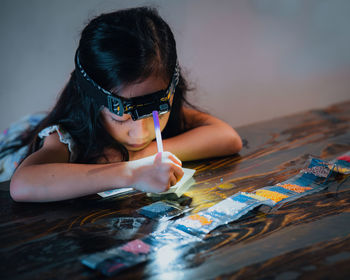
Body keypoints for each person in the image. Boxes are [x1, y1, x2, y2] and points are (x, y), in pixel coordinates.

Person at [6, 7, 242, 202]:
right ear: (92, 104)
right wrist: (130, 172)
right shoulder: (65, 136)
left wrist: (136, 155)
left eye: (156, 113)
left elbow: (228, 137)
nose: (141, 132)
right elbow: (22, 184)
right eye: (120, 118)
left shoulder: (161, 110)